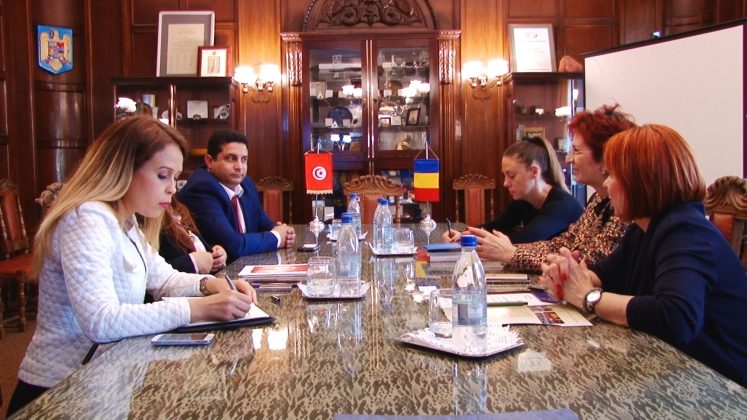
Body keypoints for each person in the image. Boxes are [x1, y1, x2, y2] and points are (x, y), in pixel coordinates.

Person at [6, 116, 258, 416]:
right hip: (58, 391)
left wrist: (211, 284)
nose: (172, 189)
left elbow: (163, 279)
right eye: (162, 176)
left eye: (175, 178)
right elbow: (101, 321)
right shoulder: (86, 218)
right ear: (124, 168)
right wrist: (198, 308)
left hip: (103, 381)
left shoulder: (126, 221)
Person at [541, 124, 747, 387]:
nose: (606, 184)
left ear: (639, 182)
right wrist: (568, 274)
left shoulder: (686, 231)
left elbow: (675, 317)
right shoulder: (643, 228)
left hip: (722, 386)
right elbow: (604, 275)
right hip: (676, 372)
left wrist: (588, 297)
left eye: (612, 175)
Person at [469, 104, 635, 272]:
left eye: (577, 151)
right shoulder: (598, 200)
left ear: (605, 159)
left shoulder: (624, 208)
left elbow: (590, 263)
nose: (569, 159)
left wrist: (512, 253)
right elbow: (563, 243)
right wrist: (507, 250)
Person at [177, 129, 295, 263]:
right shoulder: (202, 188)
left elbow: (262, 222)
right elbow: (234, 246)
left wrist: (282, 231)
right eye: (231, 158)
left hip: (245, 266)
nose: (239, 167)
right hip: (216, 272)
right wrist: (277, 237)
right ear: (209, 161)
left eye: (244, 160)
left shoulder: (246, 183)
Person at [444, 136, 583, 244]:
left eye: (511, 176)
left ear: (534, 172)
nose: (505, 183)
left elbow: (526, 240)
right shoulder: (524, 199)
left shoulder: (561, 205)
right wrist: (462, 234)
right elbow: (496, 226)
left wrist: (472, 239)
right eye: (505, 176)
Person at [159, 197, 227, 274]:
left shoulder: (177, 209)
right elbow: (155, 273)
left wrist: (217, 254)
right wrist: (193, 262)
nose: (173, 190)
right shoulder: (153, 220)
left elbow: (196, 247)